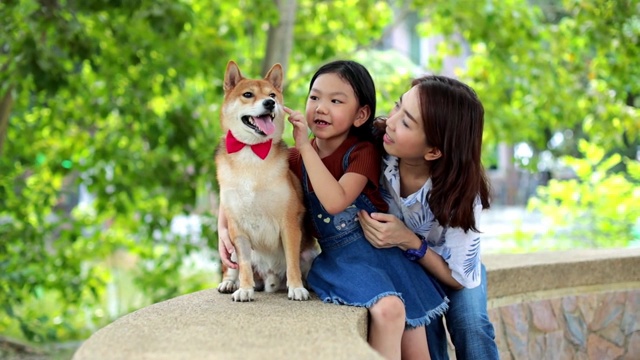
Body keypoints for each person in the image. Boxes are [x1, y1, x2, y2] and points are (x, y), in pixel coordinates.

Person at [218, 60, 448, 360]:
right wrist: (224, 226)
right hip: (340, 260)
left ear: (360, 114)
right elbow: (244, 185)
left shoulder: (361, 153)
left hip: (381, 254)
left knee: (417, 344)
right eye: (314, 97)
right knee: (391, 311)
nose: (321, 107)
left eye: (336, 100)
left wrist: (303, 148)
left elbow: (336, 201)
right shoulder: (292, 158)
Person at [358, 75, 499, 360]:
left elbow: (458, 277)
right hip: (405, 271)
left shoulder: (461, 193)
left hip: (450, 269)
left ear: (434, 150)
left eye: (407, 122)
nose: (392, 121)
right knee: (426, 331)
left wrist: (409, 240)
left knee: (471, 326)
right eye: (398, 106)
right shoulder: (373, 150)